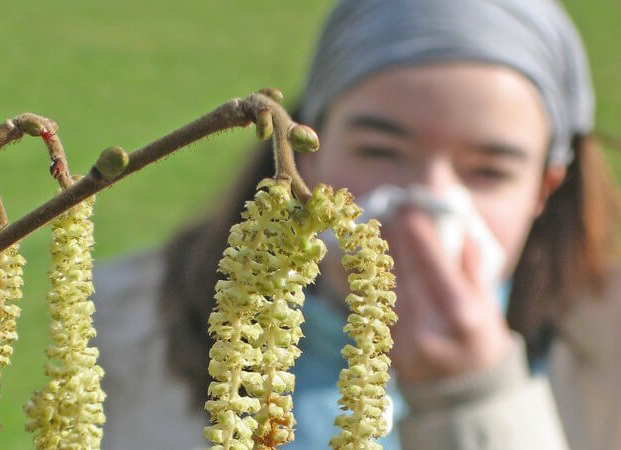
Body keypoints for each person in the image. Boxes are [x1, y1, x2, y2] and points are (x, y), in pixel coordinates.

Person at [93, 0, 621, 449]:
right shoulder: (125, 329)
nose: (427, 203)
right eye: (380, 150)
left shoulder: (604, 364)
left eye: (488, 170)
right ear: (312, 147)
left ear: (545, 188)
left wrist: (476, 403)